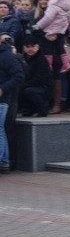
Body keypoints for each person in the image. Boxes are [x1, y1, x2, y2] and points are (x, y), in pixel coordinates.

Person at [32, 0, 70, 114]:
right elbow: (31, 30)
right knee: (41, 77)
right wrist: (45, 35)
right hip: (40, 49)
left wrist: (57, 34)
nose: (44, 1)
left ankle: (56, 104)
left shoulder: (55, 9)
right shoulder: (35, 13)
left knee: (56, 76)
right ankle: (42, 104)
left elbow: (66, 26)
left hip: (56, 48)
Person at [0, 33, 24, 174]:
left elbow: (19, 76)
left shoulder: (7, 56)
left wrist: (3, 89)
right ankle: (4, 163)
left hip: (2, 100)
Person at [19, 35, 53, 117]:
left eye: (32, 46)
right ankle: (30, 109)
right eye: (27, 47)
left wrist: (22, 86)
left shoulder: (41, 60)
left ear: (37, 47)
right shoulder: (22, 59)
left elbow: (39, 79)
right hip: (29, 85)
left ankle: (43, 109)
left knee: (29, 91)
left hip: (42, 87)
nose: (30, 49)